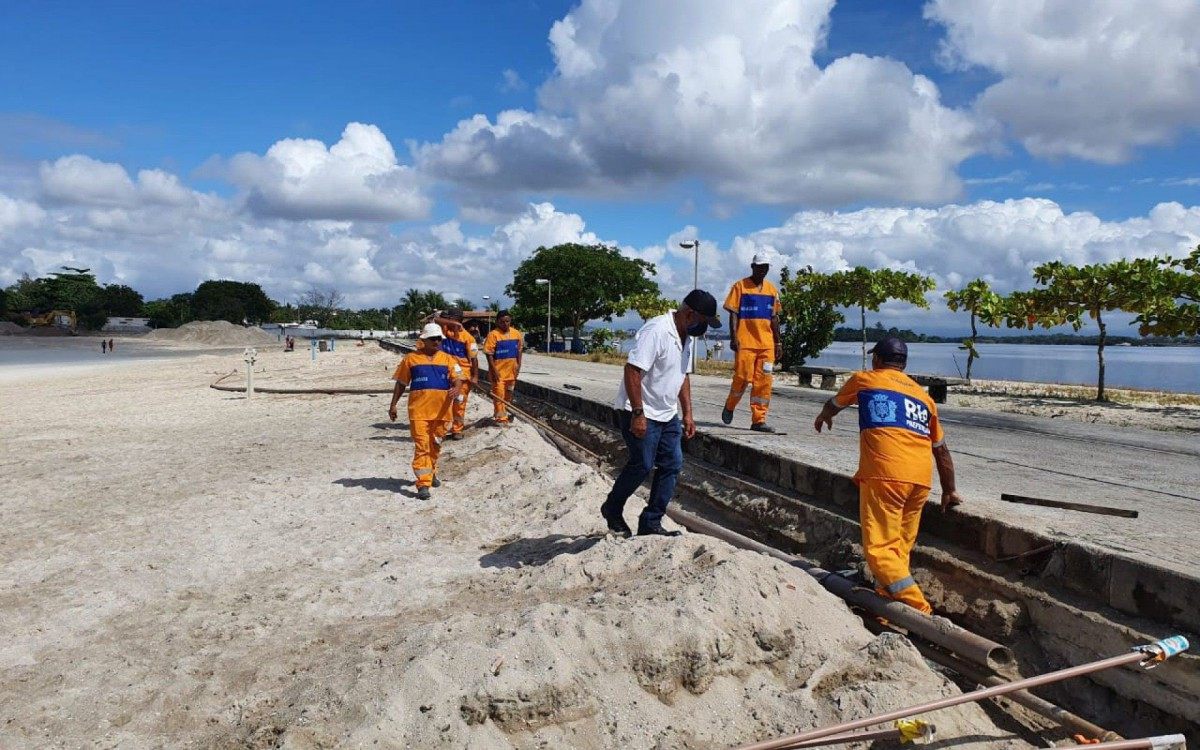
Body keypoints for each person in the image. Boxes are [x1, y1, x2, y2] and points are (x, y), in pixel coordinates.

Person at [812, 336, 964, 614]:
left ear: (877, 360)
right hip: (920, 482)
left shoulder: (865, 379)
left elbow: (834, 403)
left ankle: (920, 612)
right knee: (899, 551)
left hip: (885, 476)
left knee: (880, 550)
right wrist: (949, 490)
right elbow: (941, 450)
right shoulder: (924, 398)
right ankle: (891, 612)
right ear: (903, 364)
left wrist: (824, 416)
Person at [600, 290, 721, 537]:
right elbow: (632, 370)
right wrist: (638, 413)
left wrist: (688, 413)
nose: (706, 329)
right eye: (704, 322)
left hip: (667, 414)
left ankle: (651, 522)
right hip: (640, 410)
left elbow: (682, 376)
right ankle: (613, 507)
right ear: (690, 314)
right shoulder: (656, 330)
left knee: (672, 465)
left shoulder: (686, 336)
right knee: (642, 464)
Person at [388, 323, 463, 500]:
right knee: (422, 446)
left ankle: (431, 471)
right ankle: (423, 483)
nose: (436, 341)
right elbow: (401, 383)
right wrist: (393, 405)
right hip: (419, 412)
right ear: (424, 340)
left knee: (435, 444)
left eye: (439, 338)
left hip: (442, 413)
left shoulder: (448, 360)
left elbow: (458, 379)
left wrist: (457, 388)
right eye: (433, 339)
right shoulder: (411, 359)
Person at [722, 252, 782, 432]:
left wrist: (778, 343)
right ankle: (730, 405)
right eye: (759, 266)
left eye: (766, 267)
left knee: (764, 383)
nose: (762, 270)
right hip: (745, 342)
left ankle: (758, 420)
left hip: (766, 345)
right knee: (742, 378)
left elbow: (774, 318)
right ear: (752, 267)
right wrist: (734, 337)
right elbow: (733, 313)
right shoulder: (740, 287)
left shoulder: (772, 290)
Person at [435, 309, 479, 440]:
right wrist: (450, 323)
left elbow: (474, 358)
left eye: (450, 318)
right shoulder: (445, 331)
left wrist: (475, 376)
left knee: (459, 404)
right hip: (445, 372)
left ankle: (457, 429)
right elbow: (435, 320)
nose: (447, 321)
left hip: (461, 373)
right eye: (447, 319)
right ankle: (440, 431)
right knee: (443, 403)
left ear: (458, 319)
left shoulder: (469, 338)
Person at [483, 310, 522, 425]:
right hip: (499, 373)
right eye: (502, 322)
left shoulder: (516, 334)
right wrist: (494, 370)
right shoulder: (493, 335)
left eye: (507, 321)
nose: (505, 324)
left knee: (508, 395)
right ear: (497, 322)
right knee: (499, 395)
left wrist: (519, 365)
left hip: (512, 372)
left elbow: (519, 350)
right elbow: (489, 353)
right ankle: (500, 418)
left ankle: (503, 412)